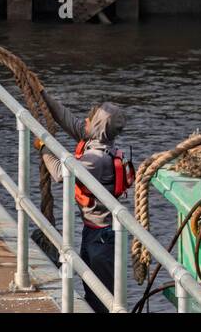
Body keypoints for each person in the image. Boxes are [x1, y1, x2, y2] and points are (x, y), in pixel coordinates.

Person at [39, 91, 134, 312]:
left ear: (98, 127)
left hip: (103, 237)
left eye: (90, 119)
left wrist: (44, 147)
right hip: (93, 231)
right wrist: (42, 94)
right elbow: (67, 120)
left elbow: (61, 172)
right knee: (92, 290)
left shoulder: (96, 159)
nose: (84, 121)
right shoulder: (95, 142)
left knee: (101, 298)